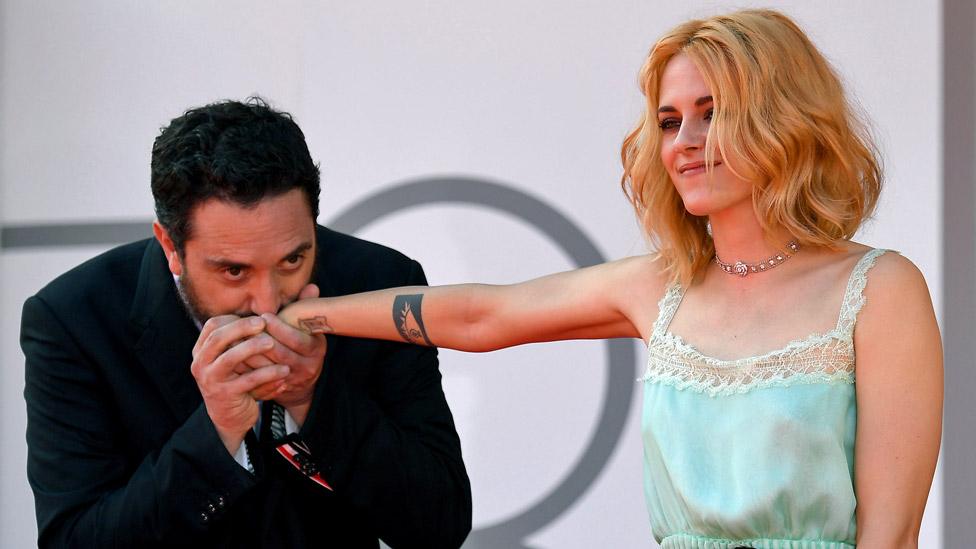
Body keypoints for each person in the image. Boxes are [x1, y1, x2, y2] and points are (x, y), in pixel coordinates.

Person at [276, 9, 943, 548]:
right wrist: (307, 315)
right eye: (669, 120)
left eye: (712, 111)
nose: (684, 139)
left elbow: (893, 533)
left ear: (783, 117)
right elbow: (484, 316)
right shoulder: (660, 285)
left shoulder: (880, 288)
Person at [20, 99, 472, 548]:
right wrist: (215, 431)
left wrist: (312, 399)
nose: (268, 303)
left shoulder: (380, 282)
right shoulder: (73, 320)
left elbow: (440, 524)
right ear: (170, 247)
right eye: (234, 271)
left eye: (293, 259)